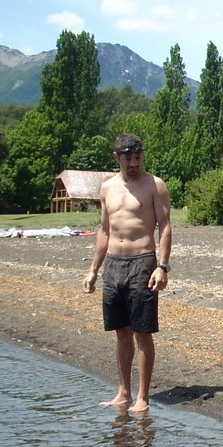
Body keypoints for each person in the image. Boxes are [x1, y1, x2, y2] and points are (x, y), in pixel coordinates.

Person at [83, 134, 172, 414]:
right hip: (113, 264)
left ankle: (142, 397)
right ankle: (123, 392)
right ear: (116, 157)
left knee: (142, 333)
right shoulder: (107, 187)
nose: (133, 162)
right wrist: (93, 270)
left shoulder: (154, 185)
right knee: (122, 331)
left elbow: (165, 226)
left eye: (137, 156)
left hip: (142, 262)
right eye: (127, 157)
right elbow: (104, 230)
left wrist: (162, 266)